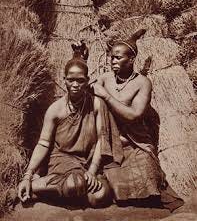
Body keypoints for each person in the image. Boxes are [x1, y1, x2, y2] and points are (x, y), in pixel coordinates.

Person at [93, 29, 184, 211]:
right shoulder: (104, 79)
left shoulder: (143, 83)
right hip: (108, 145)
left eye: (118, 58)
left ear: (132, 60)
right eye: (112, 57)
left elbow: (134, 115)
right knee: (105, 187)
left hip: (135, 144)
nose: (113, 61)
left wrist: (107, 97)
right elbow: (81, 90)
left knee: (149, 176)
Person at [17, 56, 113, 208]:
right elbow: (43, 144)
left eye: (80, 80)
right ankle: (34, 185)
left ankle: (42, 191)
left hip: (89, 160)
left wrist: (92, 171)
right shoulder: (55, 109)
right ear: (64, 80)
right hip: (62, 160)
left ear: (87, 80)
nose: (75, 85)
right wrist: (28, 174)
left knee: (100, 196)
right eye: (70, 80)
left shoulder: (96, 104)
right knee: (76, 184)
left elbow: (102, 139)